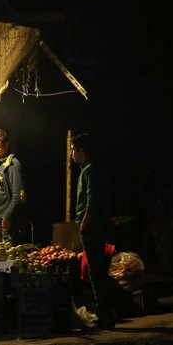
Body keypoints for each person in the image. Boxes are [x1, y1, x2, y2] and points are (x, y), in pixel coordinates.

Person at [71, 132, 116, 329]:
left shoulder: (89, 171)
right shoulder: (90, 169)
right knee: (98, 270)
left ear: (82, 150)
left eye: (74, 149)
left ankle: (104, 314)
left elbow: (92, 200)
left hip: (93, 227)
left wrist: (84, 224)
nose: (72, 153)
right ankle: (106, 311)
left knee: (96, 272)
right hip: (98, 225)